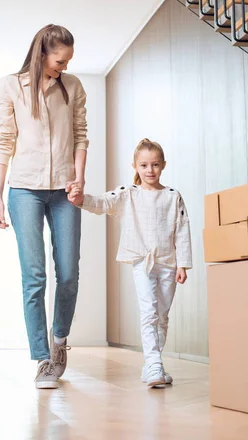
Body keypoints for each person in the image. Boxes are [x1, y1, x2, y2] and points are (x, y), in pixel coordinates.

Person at [0, 24, 89, 390]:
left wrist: (79, 179)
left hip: (65, 191)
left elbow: (81, 134)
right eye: (58, 61)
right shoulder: (10, 86)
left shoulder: (73, 86)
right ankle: (43, 359)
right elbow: (3, 140)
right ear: (42, 54)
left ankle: (59, 340)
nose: (63, 67)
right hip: (24, 191)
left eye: (68, 61)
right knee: (34, 277)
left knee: (68, 273)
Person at [68, 138, 192, 388]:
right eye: (144, 165)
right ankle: (155, 364)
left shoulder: (172, 196)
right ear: (135, 166)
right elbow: (103, 202)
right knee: (149, 312)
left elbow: (182, 229)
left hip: (168, 263)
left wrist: (182, 264)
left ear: (163, 165)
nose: (150, 170)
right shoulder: (128, 194)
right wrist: (81, 199)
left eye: (155, 165)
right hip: (141, 262)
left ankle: (152, 363)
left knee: (162, 316)